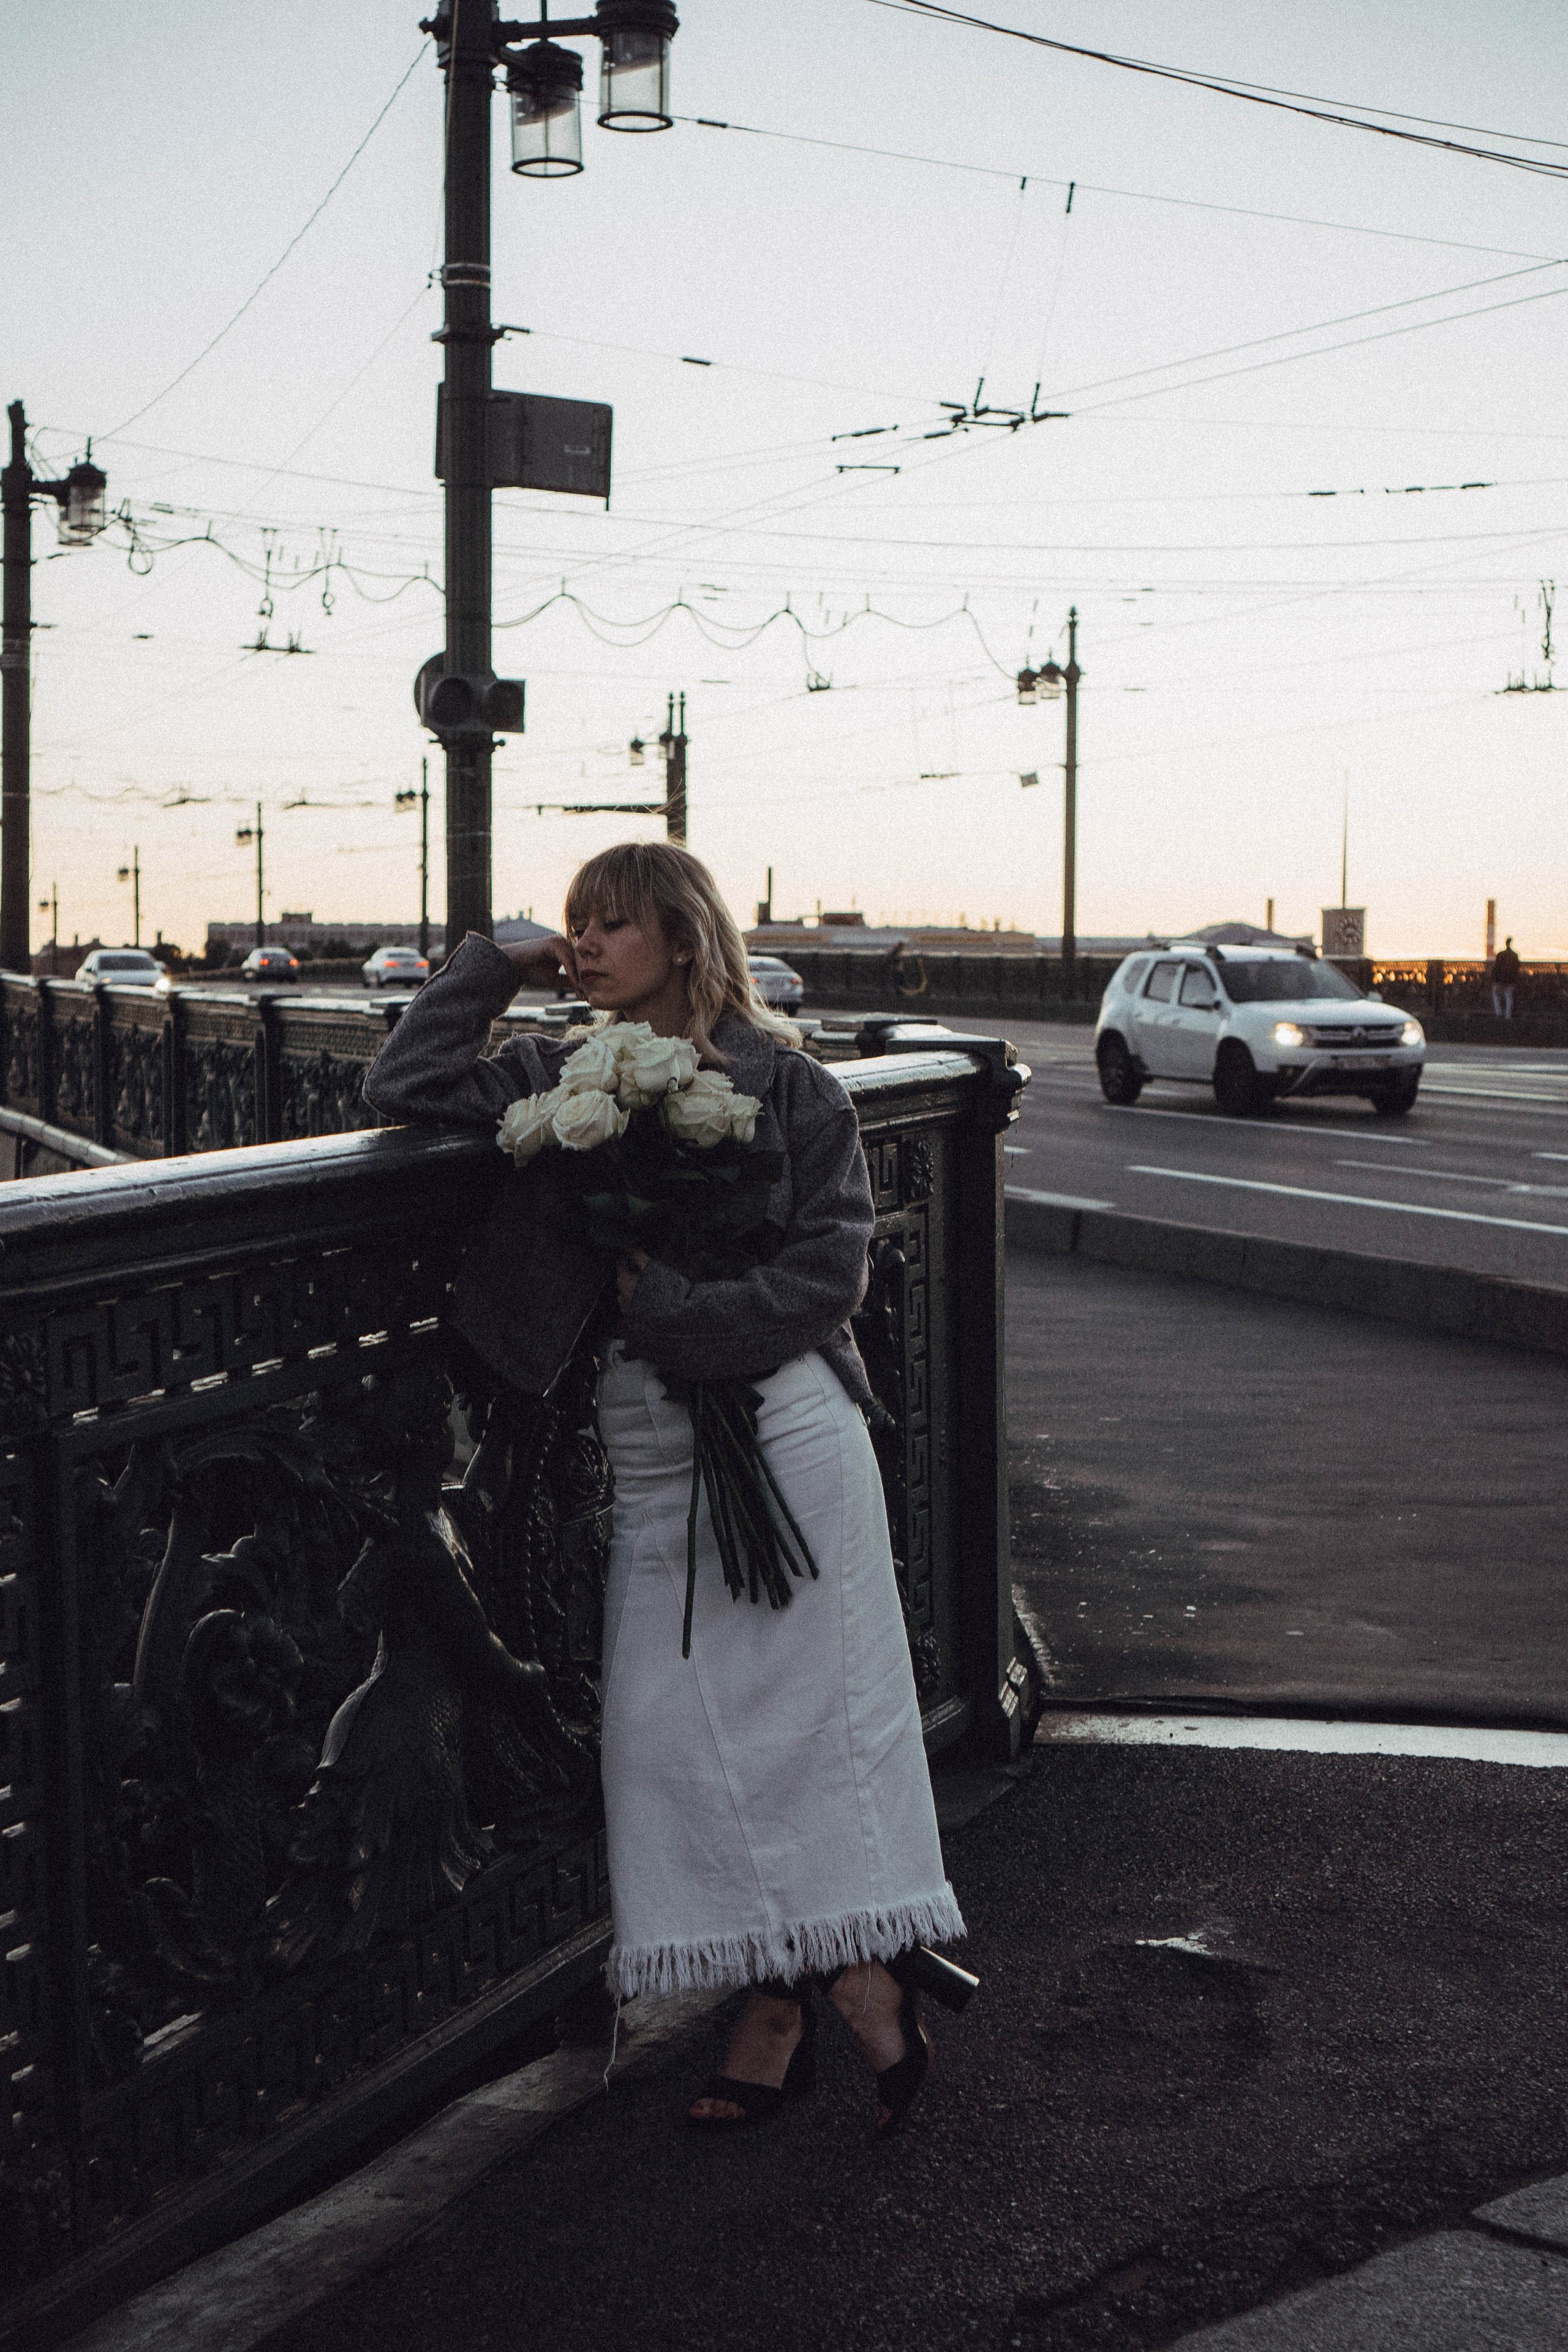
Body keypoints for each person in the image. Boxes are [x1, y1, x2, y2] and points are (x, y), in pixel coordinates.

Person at [363, 841, 966, 2136]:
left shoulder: (789, 1085)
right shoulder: (548, 1071)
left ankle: (778, 2011)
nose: (583, 947)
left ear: (685, 939)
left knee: (804, 1740)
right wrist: (493, 967)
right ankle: (856, 1974)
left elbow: (826, 1278)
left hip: (787, 1439)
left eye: (609, 927)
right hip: (646, 1449)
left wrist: (682, 1310)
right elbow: (403, 1080)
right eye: (574, 927)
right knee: (669, 1741)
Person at [1491, 937, 1520, 1020]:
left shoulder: (1500, 955)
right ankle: (1508, 1015)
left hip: (1500, 980)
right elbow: (1517, 968)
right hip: (1511, 980)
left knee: (1496, 994)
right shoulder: (1515, 955)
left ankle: (1499, 1013)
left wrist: (1494, 979)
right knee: (1509, 997)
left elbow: (1496, 968)